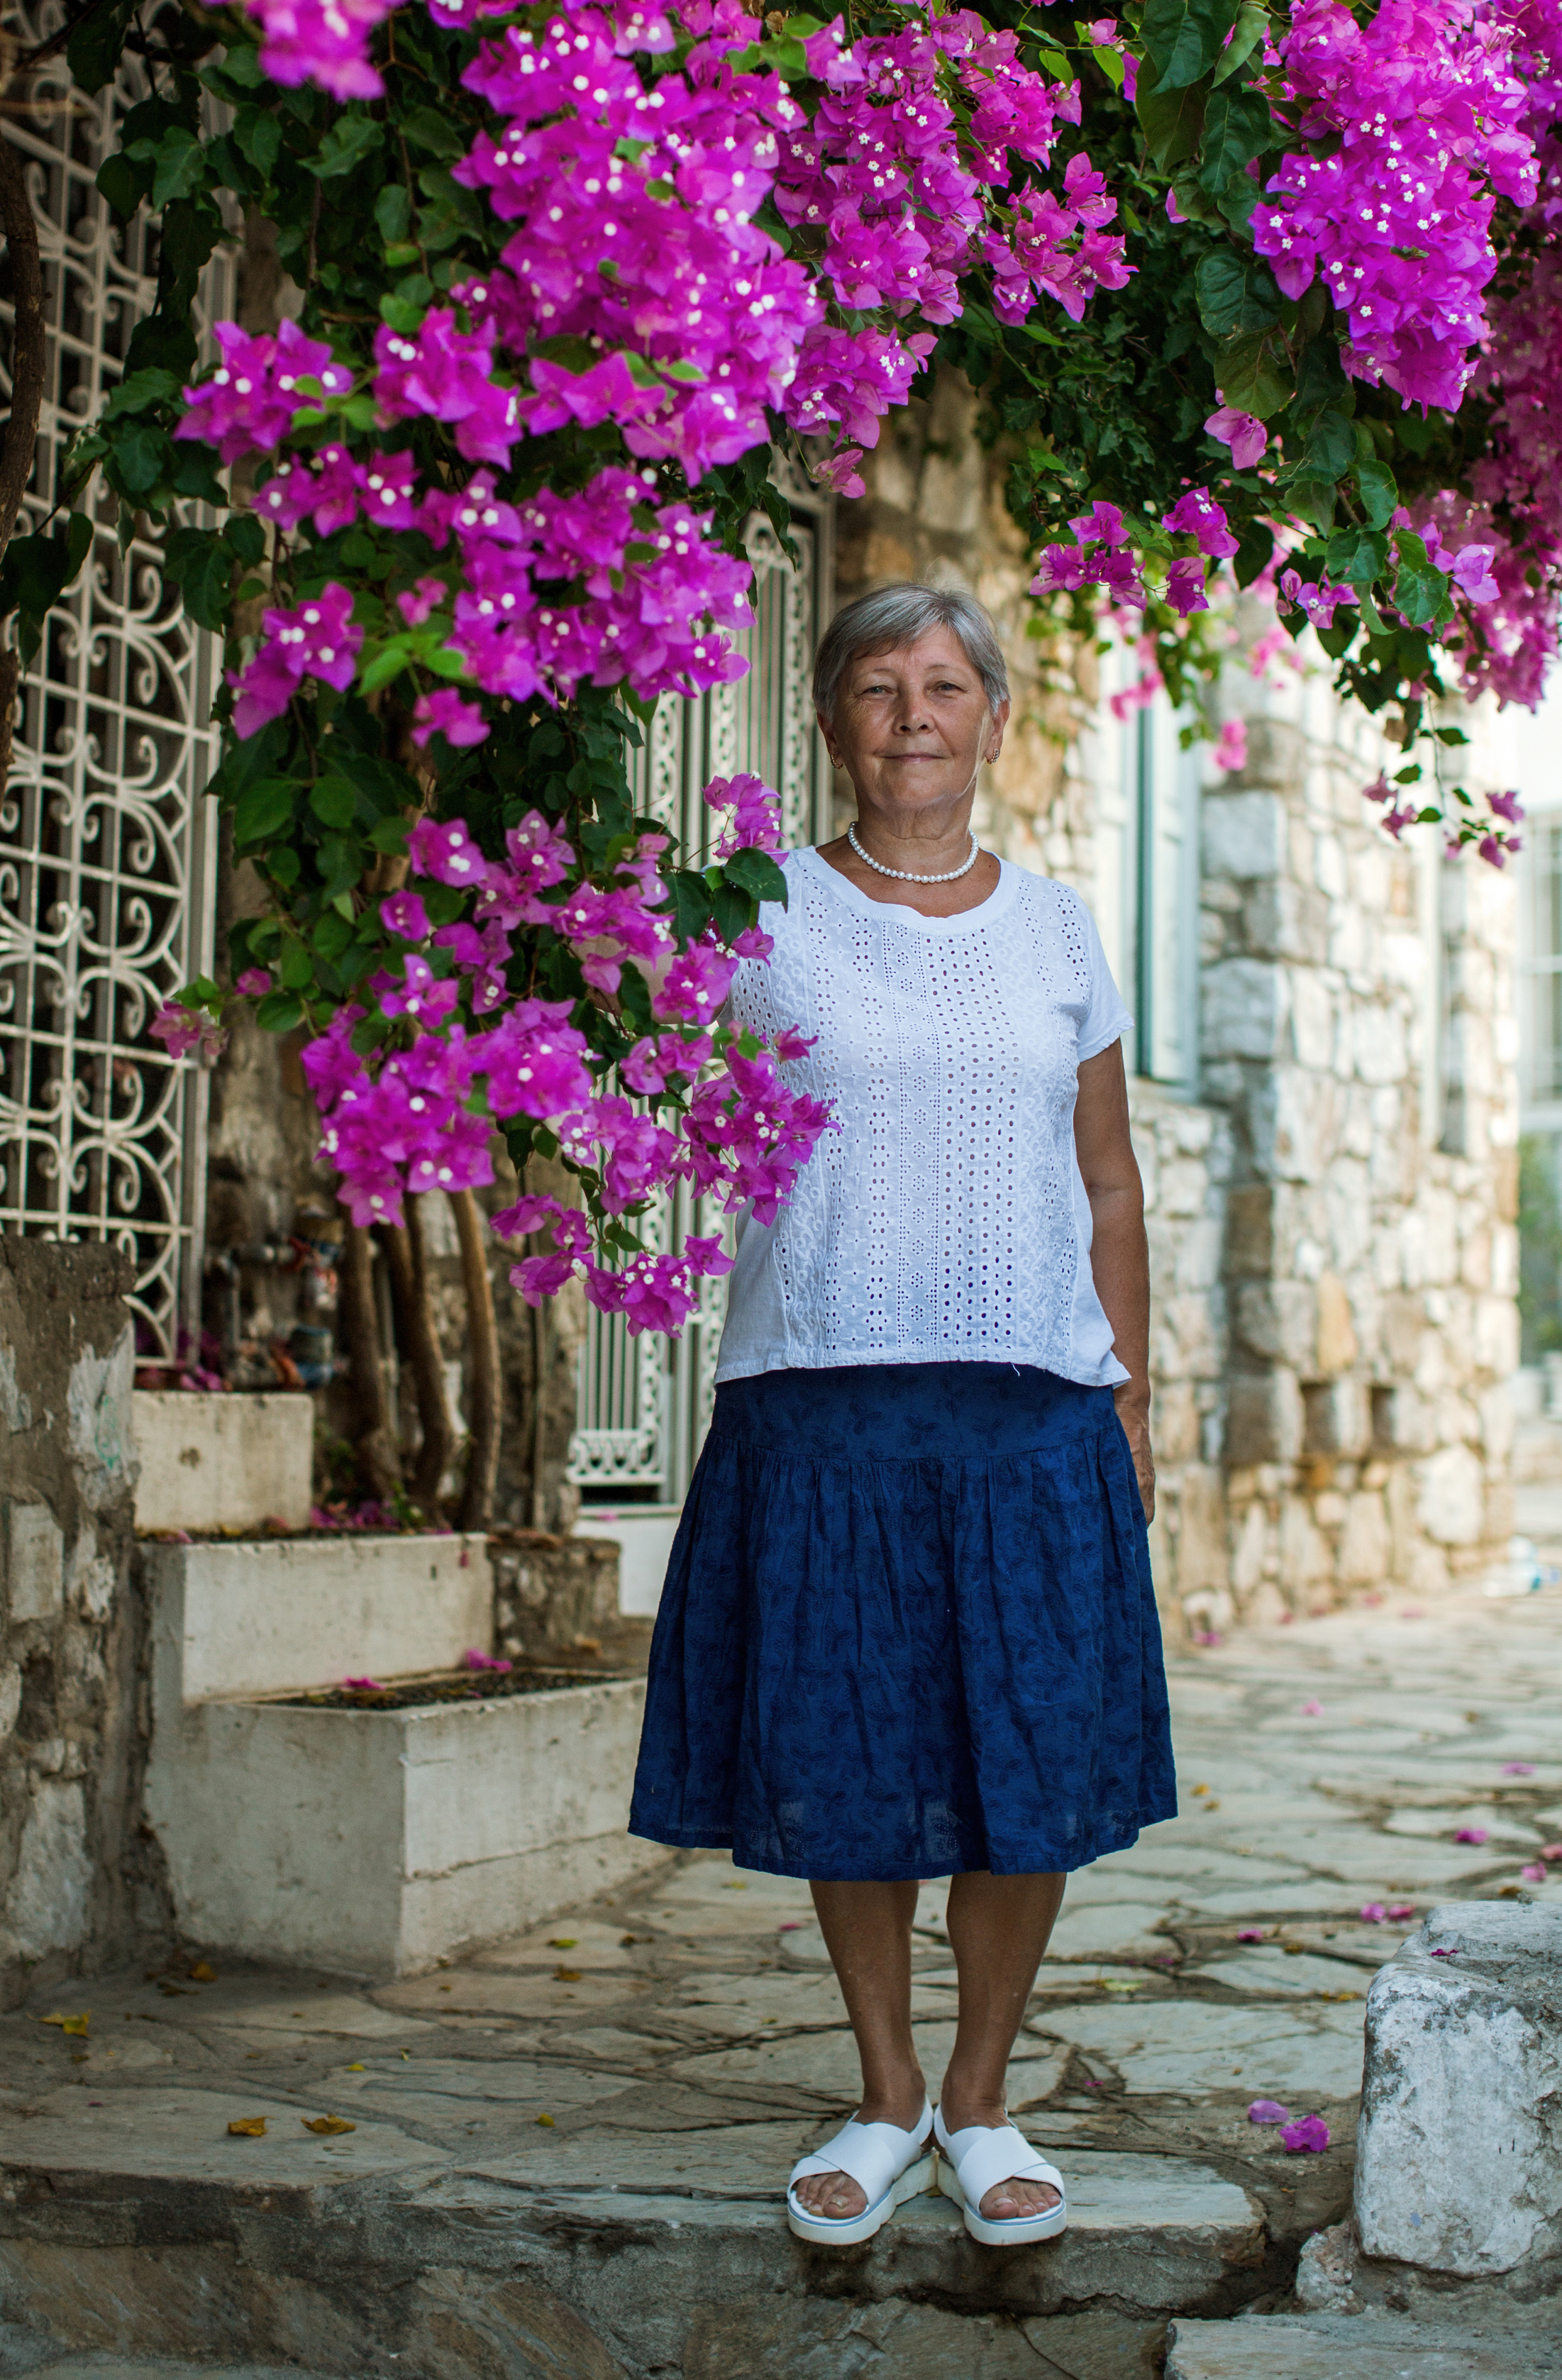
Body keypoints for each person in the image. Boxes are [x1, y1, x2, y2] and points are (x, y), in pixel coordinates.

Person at [629, 580, 1175, 2249]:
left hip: (1030, 1408)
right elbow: (658, 1103)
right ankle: (881, 2099)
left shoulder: (1063, 930)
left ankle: (984, 2099)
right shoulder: (759, 919)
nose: (913, 715)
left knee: (1025, 1759)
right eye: (878, 688)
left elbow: (1105, 1187)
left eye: (945, 686)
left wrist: (1133, 1399)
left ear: (994, 718)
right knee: (846, 1756)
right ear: (831, 719)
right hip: (821, 1404)